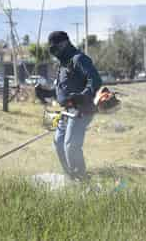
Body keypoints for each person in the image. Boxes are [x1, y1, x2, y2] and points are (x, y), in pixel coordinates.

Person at [35, 31, 102, 181]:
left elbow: (95, 80)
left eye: (55, 48)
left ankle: (82, 181)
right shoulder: (63, 63)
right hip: (68, 110)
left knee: (71, 145)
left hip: (82, 109)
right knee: (58, 144)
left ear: (64, 43)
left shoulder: (78, 59)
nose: (53, 52)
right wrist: (45, 93)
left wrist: (83, 94)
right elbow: (62, 91)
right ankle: (71, 177)